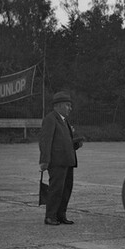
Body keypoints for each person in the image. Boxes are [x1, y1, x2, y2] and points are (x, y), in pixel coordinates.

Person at [39, 91, 82, 226]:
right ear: (59, 106)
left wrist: (75, 144)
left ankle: (61, 215)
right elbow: (45, 141)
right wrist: (44, 160)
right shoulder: (50, 119)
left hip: (68, 161)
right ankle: (50, 216)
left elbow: (64, 141)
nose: (70, 108)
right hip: (57, 162)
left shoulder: (64, 121)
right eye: (68, 105)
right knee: (56, 189)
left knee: (66, 190)